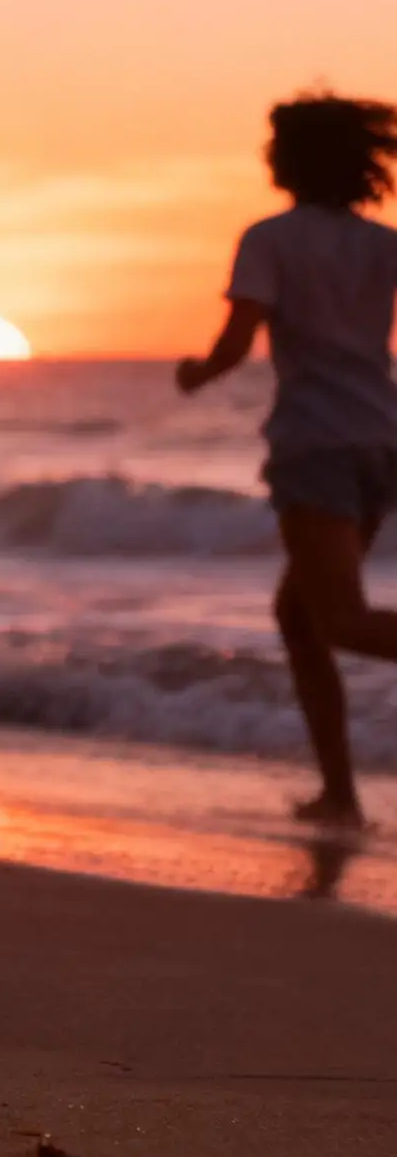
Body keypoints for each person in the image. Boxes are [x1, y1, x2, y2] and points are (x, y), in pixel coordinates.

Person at [177, 91, 397, 831]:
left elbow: (239, 338)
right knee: (298, 616)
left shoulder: (269, 238)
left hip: (315, 443)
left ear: (294, 159)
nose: (266, 157)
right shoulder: (381, 244)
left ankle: (339, 793)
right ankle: (338, 794)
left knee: (336, 618)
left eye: (274, 146)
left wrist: (196, 374)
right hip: (379, 444)